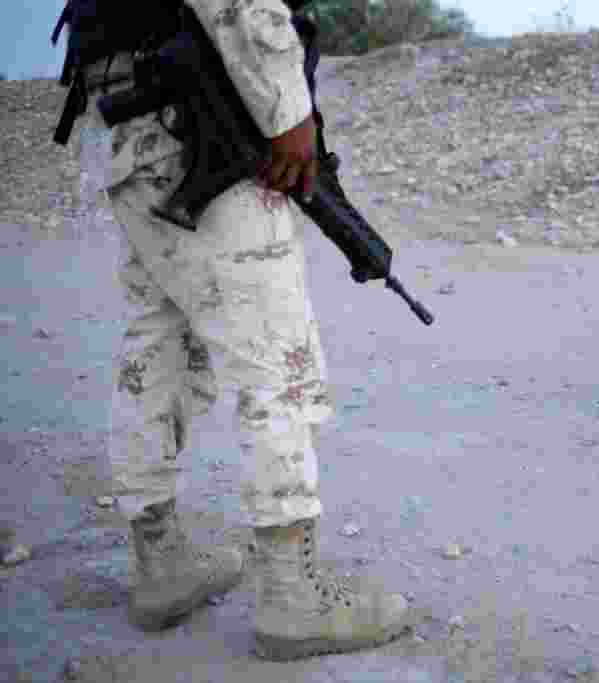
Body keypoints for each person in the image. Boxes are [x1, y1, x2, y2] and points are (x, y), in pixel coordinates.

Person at [67, 0, 412, 661]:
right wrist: (290, 112)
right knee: (275, 355)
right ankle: (292, 593)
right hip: (202, 124)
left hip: (137, 133)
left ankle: (158, 560)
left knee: (161, 344)